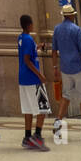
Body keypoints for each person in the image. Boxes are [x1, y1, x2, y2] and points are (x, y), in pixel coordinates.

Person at [51, 4, 81, 141]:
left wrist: (55, 68)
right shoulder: (77, 30)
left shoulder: (57, 29)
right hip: (78, 69)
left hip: (65, 69)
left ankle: (58, 121)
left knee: (66, 96)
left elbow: (54, 51)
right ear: (71, 15)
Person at [17, 14, 49, 150]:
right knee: (43, 108)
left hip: (23, 79)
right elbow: (27, 60)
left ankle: (27, 137)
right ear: (29, 25)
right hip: (33, 79)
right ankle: (37, 136)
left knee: (28, 109)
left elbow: (27, 52)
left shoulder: (21, 38)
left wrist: (38, 47)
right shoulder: (29, 39)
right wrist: (40, 74)